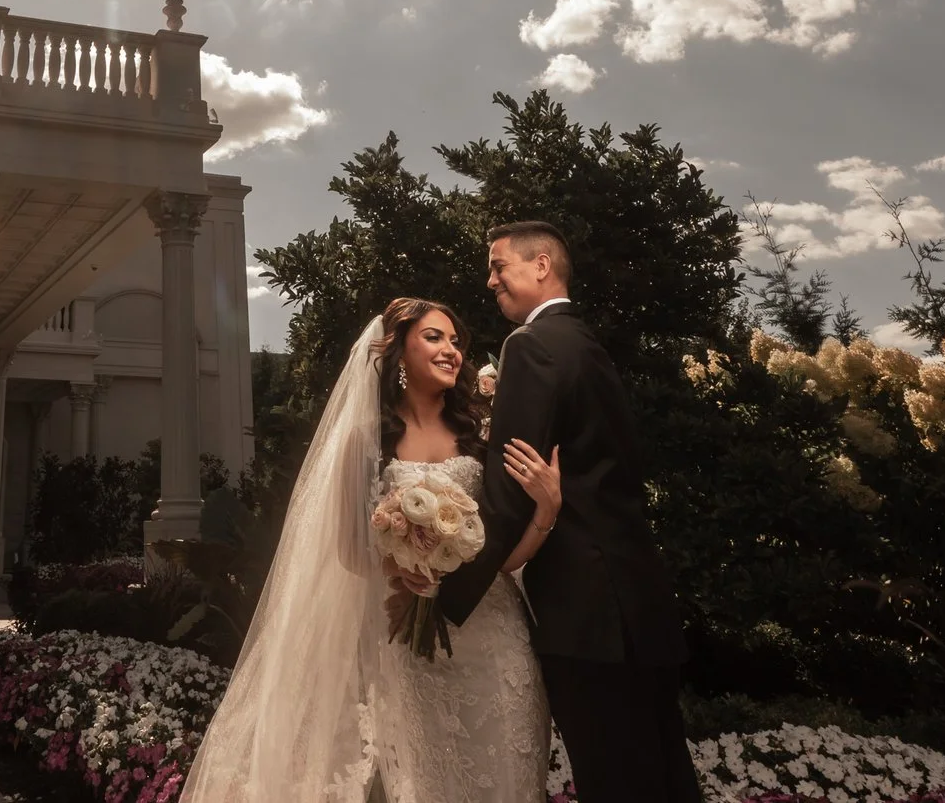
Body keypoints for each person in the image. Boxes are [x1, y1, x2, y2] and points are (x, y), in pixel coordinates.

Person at [178, 297, 561, 803]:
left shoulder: (478, 438)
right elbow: (348, 552)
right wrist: (403, 569)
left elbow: (504, 558)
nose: (452, 350)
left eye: (455, 341)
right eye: (434, 337)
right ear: (399, 353)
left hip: (496, 639)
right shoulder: (366, 443)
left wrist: (546, 511)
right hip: (411, 646)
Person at [437, 220, 700, 803]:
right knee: (663, 775)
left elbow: (510, 489)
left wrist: (443, 595)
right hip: (635, 600)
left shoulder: (530, 346)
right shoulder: (583, 341)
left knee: (615, 780)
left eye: (498, 266)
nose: (489, 281)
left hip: (587, 615)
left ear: (541, 266)